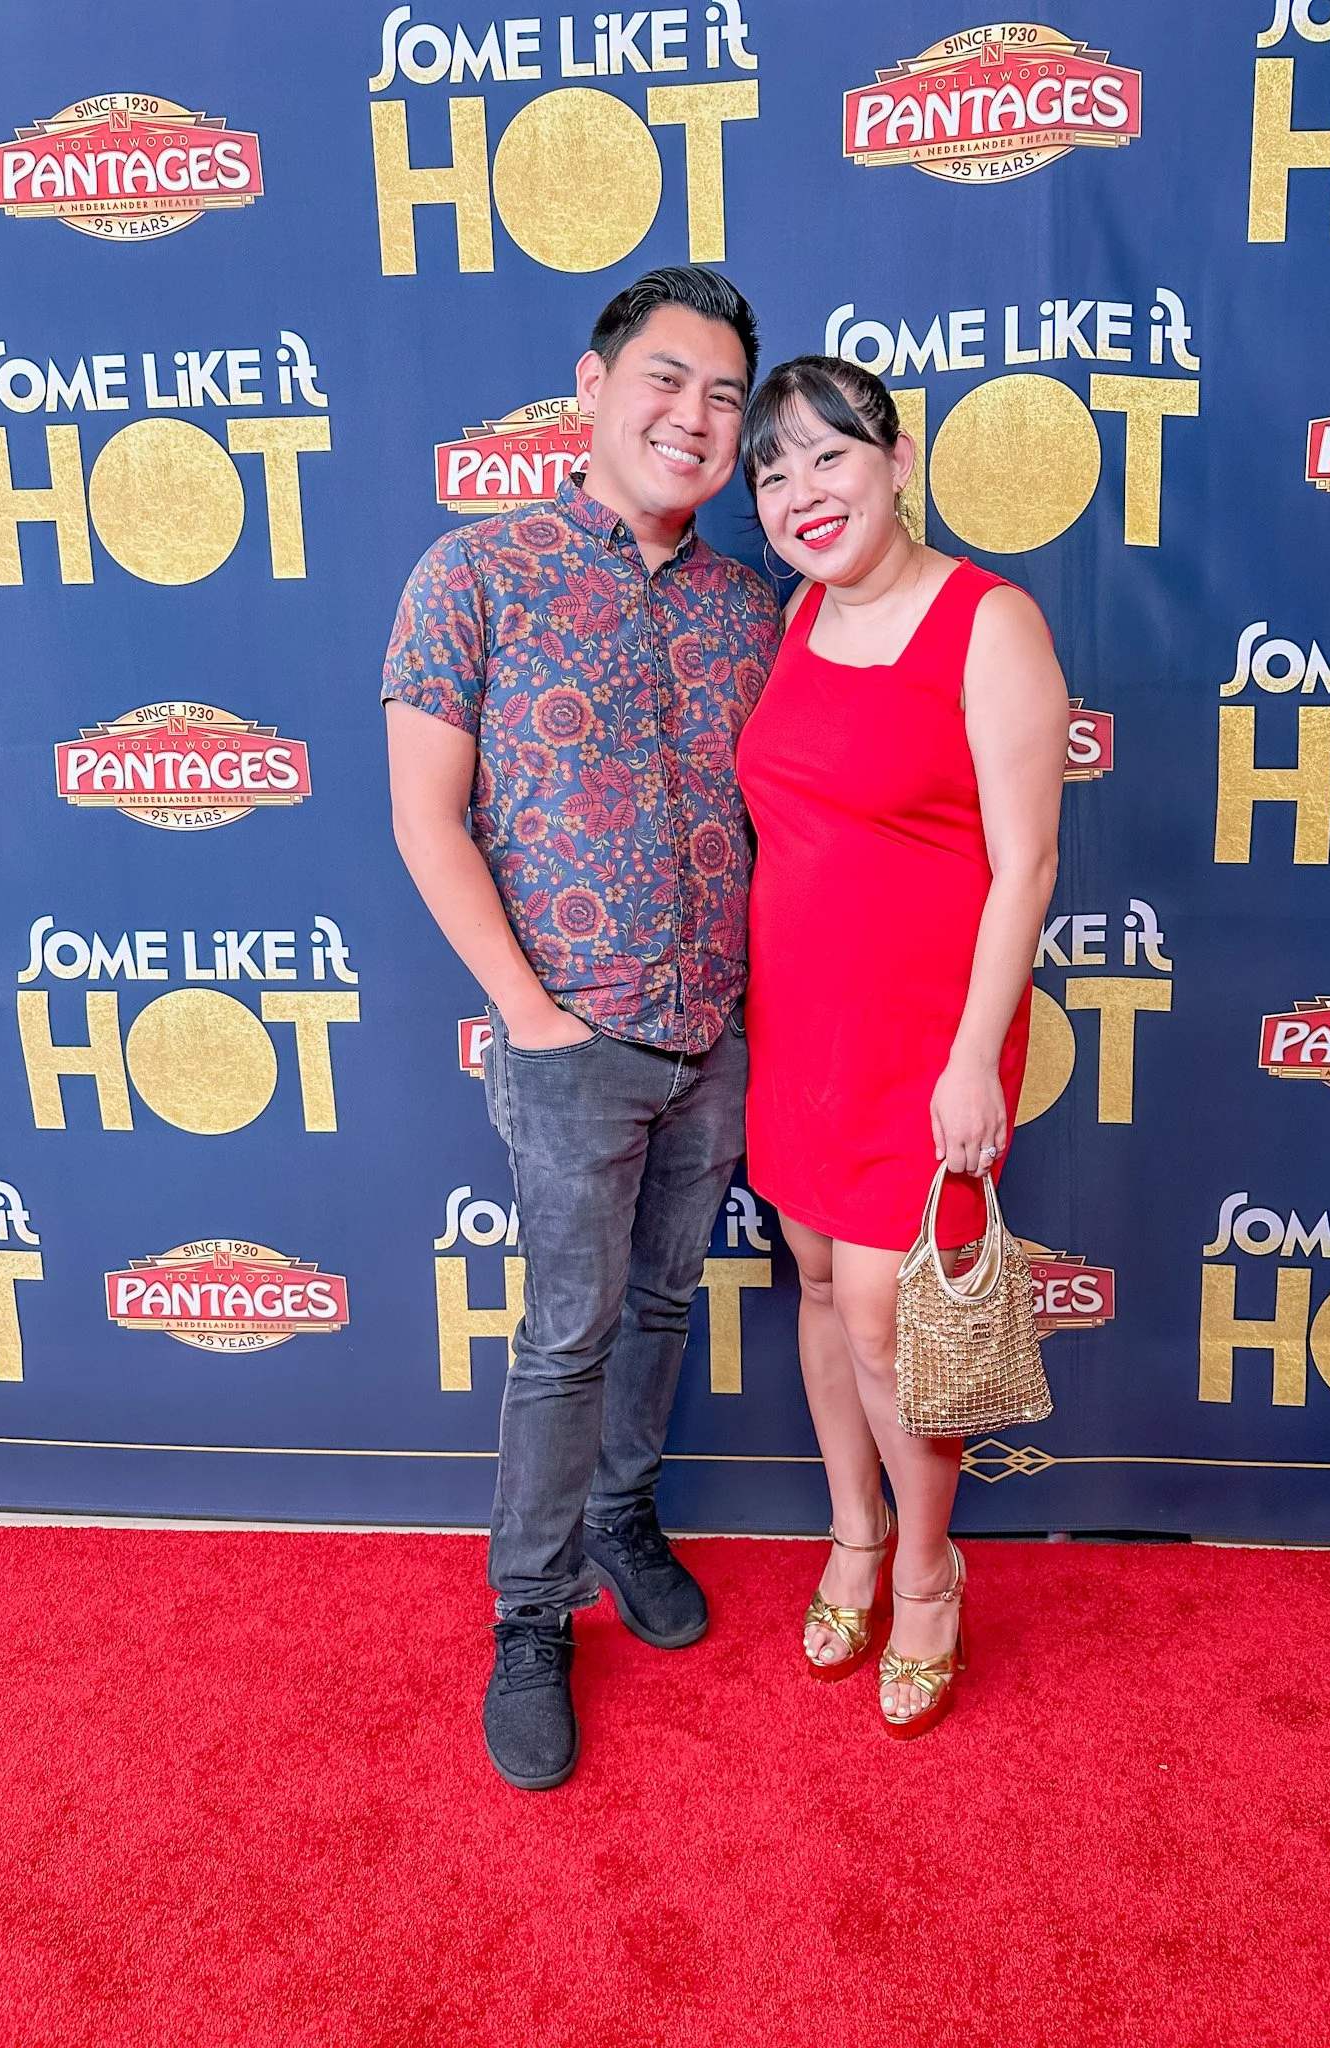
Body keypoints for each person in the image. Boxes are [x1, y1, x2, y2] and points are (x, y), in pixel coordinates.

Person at [382, 268, 780, 1791]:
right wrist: (529, 1016)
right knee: (567, 1334)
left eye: (726, 397)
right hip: (568, 1044)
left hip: (716, 1036)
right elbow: (427, 818)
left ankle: (623, 1514)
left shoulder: (755, 606)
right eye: (668, 380)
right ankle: (531, 1615)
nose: (697, 417)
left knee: (664, 1301)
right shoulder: (474, 573)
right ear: (594, 387)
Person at [736, 356, 1068, 1739]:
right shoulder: (800, 615)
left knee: (892, 1322)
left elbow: (1027, 864)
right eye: (772, 473)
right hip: (797, 1029)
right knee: (819, 1285)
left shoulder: (990, 621)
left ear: (895, 460)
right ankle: (854, 1536)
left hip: (925, 1044)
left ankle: (929, 1578)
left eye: (829, 457)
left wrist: (973, 1058)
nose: (802, 493)